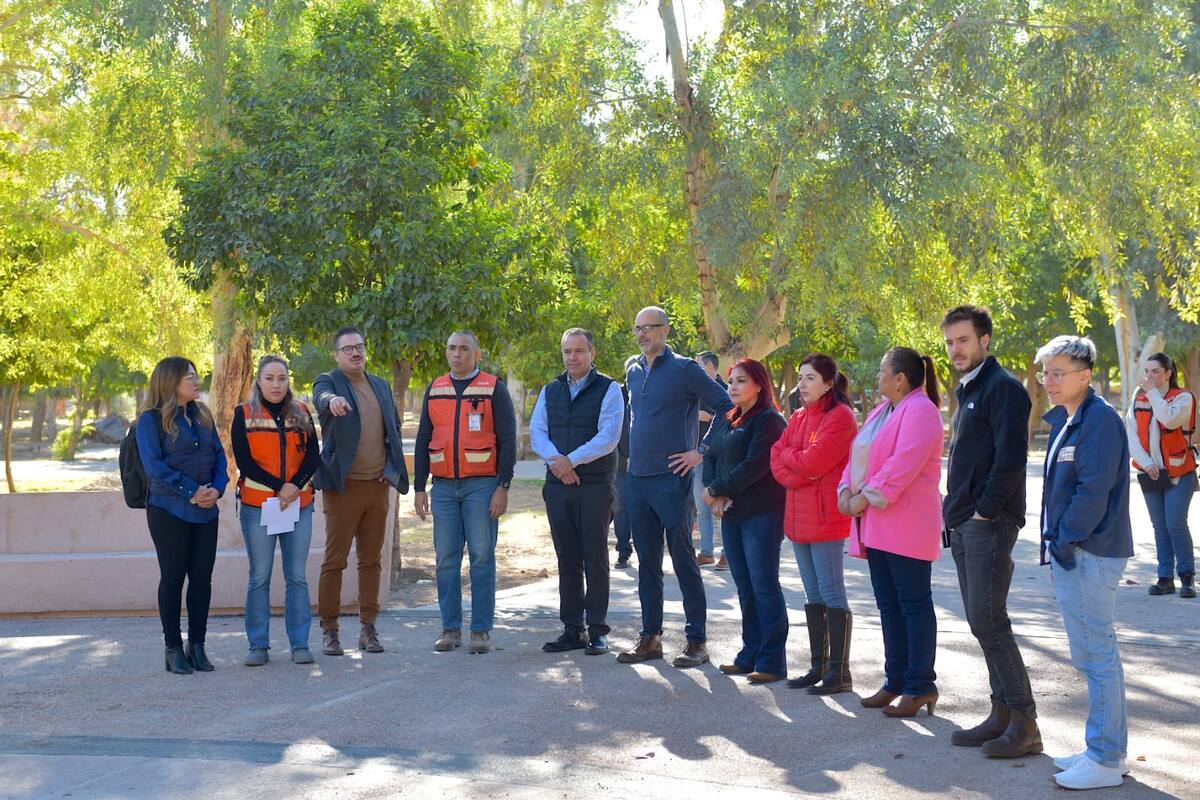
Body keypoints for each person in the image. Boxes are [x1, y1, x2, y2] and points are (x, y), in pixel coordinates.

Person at [940, 305, 1040, 756]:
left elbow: (1010, 459)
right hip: (963, 523)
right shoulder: (969, 390)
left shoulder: (1003, 389)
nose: (955, 349)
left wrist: (984, 511)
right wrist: (957, 514)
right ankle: (1001, 714)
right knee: (982, 622)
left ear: (985, 340)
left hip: (989, 524)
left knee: (989, 620)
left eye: (963, 340)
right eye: (949, 342)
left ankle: (1024, 722)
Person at [1037, 335, 1133, 790]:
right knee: (1094, 656)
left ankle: (1106, 758)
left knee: (1097, 657)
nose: (1049, 381)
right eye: (1046, 372)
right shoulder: (1073, 418)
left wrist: (1063, 540)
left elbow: (1092, 492)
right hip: (1078, 552)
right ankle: (1104, 748)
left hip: (1089, 554)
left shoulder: (1100, 420)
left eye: (1058, 372)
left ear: (1085, 375)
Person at [617, 306, 733, 668]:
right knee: (646, 562)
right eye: (637, 328)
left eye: (649, 328)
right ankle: (650, 637)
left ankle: (696, 640)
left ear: (665, 331)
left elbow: (726, 408)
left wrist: (700, 451)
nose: (642, 334)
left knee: (683, 558)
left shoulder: (685, 369)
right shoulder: (632, 369)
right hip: (638, 480)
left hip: (672, 479)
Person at [841, 348, 944, 717]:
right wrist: (844, 489)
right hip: (877, 525)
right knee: (888, 605)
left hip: (908, 525)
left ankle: (920, 685)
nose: (878, 376)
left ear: (900, 378)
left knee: (913, 605)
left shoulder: (922, 410)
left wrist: (863, 499)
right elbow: (859, 458)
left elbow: (903, 466)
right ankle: (896, 680)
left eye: (883, 370)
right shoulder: (881, 411)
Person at [414, 331, 517, 655]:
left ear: (477, 353)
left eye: (463, 349)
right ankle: (450, 628)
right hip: (443, 487)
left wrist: (503, 486)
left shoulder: (493, 388)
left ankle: (481, 630)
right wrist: (419, 487)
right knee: (445, 560)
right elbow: (421, 440)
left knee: (482, 558)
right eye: (451, 348)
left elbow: (508, 440)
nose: (456, 354)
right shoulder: (435, 388)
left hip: (482, 485)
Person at [313, 327, 410, 657]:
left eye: (360, 347)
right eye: (348, 349)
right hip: (343, 488)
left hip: (377, 488)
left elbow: (393, 431)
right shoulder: (328, 381)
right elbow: (321, 398)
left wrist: (392, 471)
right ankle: (330, 631)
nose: (355, 353)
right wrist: (333, 401)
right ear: (337, 355)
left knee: (371, 561)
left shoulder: (380, 385)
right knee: (334, 561)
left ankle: (369, 629)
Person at [530, 328, 624, 655]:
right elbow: (537, 432)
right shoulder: (550, 390)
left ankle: (597, 629)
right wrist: (559, 465)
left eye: (579, 351)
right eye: (567, 351)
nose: (572, 357)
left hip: (595, 486)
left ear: (591, 353)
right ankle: (573, 629)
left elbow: (609, 436)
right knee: (567, 558)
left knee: (594, 557)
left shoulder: (610, 389)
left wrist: (570, 461)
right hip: (557, 487)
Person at [770, 353, 857, 694]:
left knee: (832, 592)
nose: (802, 385)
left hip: (825, 517)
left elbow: (813, 461)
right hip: (798, 517)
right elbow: (778, 458)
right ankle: (818, 666)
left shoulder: (841, 417)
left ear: (828, 383)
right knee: (813, 593)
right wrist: (798, 464)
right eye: (801, 378)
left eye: (810, 378)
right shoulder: (800, 416)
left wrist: (797, 463)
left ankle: (840, 672)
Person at [136, 357, 228, 675]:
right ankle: (173, 648)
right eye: (190, 376)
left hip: (206, 510)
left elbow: (219, 457)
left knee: (202, 578)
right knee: (173, 578)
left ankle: (197, 646)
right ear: (170, 381)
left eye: (196, 375)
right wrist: (191, 491)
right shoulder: (150, 420)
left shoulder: (202, 415)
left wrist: (216, 490)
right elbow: (155, 467)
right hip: (168, 509)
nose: (196, 380)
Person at [231, 355, 320, 666]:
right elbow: (243, 461)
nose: (276, 384)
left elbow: (313, 456)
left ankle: (300, 644)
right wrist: (278, 486)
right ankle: (258, 645)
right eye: (269, 378)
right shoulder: (243, 414)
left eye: (281, 378)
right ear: (259, 380)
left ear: (288, 381)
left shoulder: (302, 412)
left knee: (296, 576)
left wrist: (293, 486)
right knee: (259, 576)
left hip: (299, 505)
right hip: (258, 506)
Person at [704, 359, 789, 682]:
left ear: (759, 385)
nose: (734, 387)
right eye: (731, 382)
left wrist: (716, 489)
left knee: (764, 586)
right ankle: (749, 653)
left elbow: (755, 466)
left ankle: (772, 662)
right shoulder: (729, 419)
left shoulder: (769, 421)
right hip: (733, 515)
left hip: (763, 515)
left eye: (741, 381)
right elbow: (711, 455)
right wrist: (716, 492)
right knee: (745, 587)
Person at [1126, 352, 1196, 598]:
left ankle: (1187, 577)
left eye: (1155, 371)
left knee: (1175, 524)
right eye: (1147, 371)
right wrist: (1146, 463)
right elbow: (1131, 435)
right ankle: (1165, 578)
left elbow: (1168, 419)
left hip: (1180, 473)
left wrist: (1154, 393)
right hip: (1151, 473)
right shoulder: (1139, 397)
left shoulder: (1184, 398)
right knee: (1160, 527)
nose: (1149, 376)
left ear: (1168, 373)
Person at [694, 351, 727, 567]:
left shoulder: (726, 391)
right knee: (701, 505)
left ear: (708, 367)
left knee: (723, 506)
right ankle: (706, 552)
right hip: (697, 456)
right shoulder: (693, 392)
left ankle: (728, 552)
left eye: (697, 365)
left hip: (721, 457)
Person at [612, 354, 638, 569]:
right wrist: (625, 457)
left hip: (646, 461)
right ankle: (623, 551)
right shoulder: (616, 394)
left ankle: (647, 550)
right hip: (620, 463)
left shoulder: (649, 392)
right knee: (622, 508)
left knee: (643, 508)